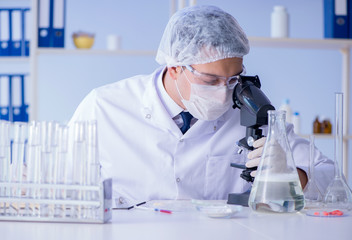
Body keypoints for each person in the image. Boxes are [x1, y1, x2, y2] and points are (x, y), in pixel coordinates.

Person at [69, 5, 334, 208]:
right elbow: (63, 185)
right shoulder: (104, 106)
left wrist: (291, 175)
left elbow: (332, 179)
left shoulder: (251, 113)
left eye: (232, 79)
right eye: (210, 80)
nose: (223, 94)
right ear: (174, 67)